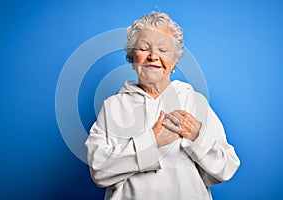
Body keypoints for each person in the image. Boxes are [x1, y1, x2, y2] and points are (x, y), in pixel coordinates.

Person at [85, 12, 240, 200]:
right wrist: (152, 141)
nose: (153, 56)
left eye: (163, 50)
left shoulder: (195, 102)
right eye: (144, 48)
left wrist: (197, 137)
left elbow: (227, 168)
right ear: (132, 57)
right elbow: (99, 172)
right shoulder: (113, 107)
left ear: (175, 61)